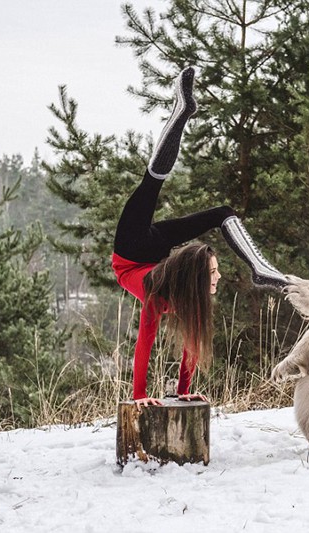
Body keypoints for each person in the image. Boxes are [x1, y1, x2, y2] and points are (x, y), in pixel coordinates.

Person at [112, 66, 286, 408]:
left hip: (153, 249)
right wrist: (139, 397)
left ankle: (259, 267)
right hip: (130, 251)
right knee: (153, 182)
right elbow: (144, 342)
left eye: (216, 271)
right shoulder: (156, 292)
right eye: (213, 273)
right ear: (193, 277)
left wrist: (183, 391)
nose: (219, 277)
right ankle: (182, 110)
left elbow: (192, 344)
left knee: (223, 212)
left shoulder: (190, 295)